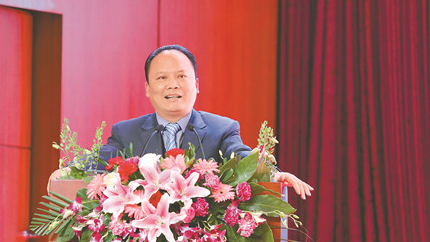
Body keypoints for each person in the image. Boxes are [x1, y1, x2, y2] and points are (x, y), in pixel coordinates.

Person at [51, 45, 313, 199]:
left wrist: (272, 174)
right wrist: (69, 171)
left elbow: (241, 157)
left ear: (196, 85)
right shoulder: (126, 132)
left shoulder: (222, 130)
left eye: (181, 76)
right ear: (148, 88)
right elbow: (101, 158)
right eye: (162, 78)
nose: (172, 85)